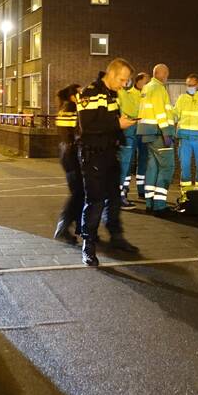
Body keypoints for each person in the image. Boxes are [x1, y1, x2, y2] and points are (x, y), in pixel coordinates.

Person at [77, 58, 140, 266]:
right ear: (112, 74)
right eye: (122, 79)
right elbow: (87, 125)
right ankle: (89, 245)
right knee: (94, 201)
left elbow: (109, 124)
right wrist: (117, 123)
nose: (124, 84)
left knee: (114, 198)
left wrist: (120, 128)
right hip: (93, 154)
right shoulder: (91, 92)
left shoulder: (112, 94)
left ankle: (117, 238)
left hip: (109, 154)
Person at [137, 63, 175, 216]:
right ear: (160, 73)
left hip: (147, 133)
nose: (167, 77)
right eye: (166, 74)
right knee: (167, 167)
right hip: (159, 133)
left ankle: (149, 202)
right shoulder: (158, 88)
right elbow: (160, 112)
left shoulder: (147, 88)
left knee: (152, 168)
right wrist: (166, 132)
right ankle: (159, 205)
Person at [173, 73, 198, 204]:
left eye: (192, 85)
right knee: (185, 165)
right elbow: (175, 115)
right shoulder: (181, 99)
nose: (189, 87)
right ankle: (186, 194)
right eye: (188, 85)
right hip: (184, 136)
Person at [53, 84, 84, 244]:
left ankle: (80, 226)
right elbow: (72, 133)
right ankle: (63, 228)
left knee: (79, 192)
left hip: (67, 153)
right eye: (79, 92)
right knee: (78, 193)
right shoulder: (71, 107)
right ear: (73, 95)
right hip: (71, 155)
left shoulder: (66, 107)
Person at [117, 71, 148, 208]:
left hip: (142, 128)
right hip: (130, 128)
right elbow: (129, 111)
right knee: (126, 163)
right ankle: (121, 193)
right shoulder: (125, 94)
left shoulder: (145, 95)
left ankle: (138, 190)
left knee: (142, 160)